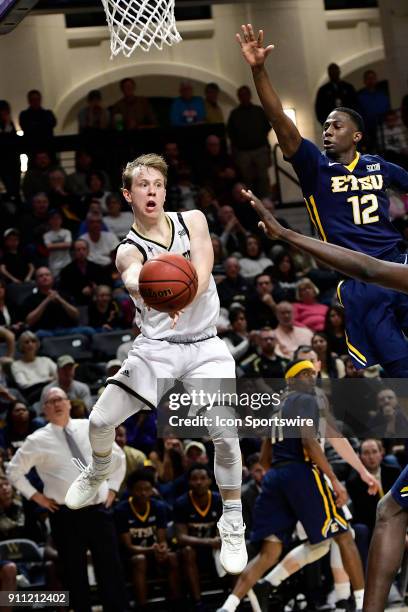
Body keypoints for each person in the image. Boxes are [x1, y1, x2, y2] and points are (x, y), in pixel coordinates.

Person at [65, 153, 247, 575]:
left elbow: (203, 261)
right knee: (98, 421)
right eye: (142, 185)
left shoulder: (194, 219)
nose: (151, 191)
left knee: (226, 433)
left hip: (204, 344)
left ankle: (233, 520)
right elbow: (132, 277)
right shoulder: (127, 249)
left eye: (157, 184)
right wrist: (150, 292)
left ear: (166, 190)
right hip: (157, 346)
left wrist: (187, 293)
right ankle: (98, 468)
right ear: (128, 194)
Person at [239, 192, 408, 612]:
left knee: (375, 519)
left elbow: (366, 267)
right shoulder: (301, 403)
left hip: (294, 474)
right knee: (385, 513)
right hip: (295, 474)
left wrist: (285, 234)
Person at [237, 24, 408, 377]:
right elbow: (278, 119)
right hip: (359, 278)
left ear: (357, 135)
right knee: (400, 370)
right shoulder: (315, 167)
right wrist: (258, 70)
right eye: (326, 126)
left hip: (398, 263)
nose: (327, 131)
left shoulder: (379, 165)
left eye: (336, 126)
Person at [217, 359, 374, 612]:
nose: (311, 378)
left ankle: (233, 604)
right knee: (344, 533)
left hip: (276, 478)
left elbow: (265, 458)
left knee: (272, 549)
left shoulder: (277, 408)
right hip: (303, 473)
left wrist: (279, 480)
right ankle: (360, 601)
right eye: (305, 374)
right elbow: (310, 442)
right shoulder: (305, 400)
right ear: (291, 380)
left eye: (313, 374)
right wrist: (334, 480)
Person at [7, 387, 127, 612]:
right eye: (50, 401)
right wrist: (37, 497)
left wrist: (113, 489)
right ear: (44, 410)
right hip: (66, 516)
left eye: (60, 398)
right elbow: (13, 471)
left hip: (98, 511)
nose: (57, 403)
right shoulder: (37, 439)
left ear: (69, 403)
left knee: (111, 569)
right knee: (74, 574)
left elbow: (118, 457)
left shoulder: (89, 427)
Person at [174, 463, 223, 609]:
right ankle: (198, 602)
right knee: (188, 551)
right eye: (195, 479)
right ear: (189, 482)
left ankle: (235, 598)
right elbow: (181, 537)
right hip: (194, 552)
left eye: (203, 478)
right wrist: (209, 541)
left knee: (234, 547)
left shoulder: (218, 500)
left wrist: (221, 539)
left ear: (210, 480)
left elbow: (225, 527)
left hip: (215, 551)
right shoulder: (181, 503)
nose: (199, 482)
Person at [227, 85, 271, 197]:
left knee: (263, 177)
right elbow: (231, 135)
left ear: (250, 95)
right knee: (246, 179)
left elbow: (266, 130)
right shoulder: (234, 114)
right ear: (238, 97)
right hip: (242, 152)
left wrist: (268, 151)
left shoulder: (258, 111)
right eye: (241, 95)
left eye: (245, 94)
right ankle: (250, 203)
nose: (244, 97)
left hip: (260, 149)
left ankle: (266, 201)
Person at [58, 239, 110, 306]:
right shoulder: (66, 271)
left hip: (96, 301)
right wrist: (80, 292)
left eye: (84, 249)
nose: (81, 252)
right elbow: (64, 291)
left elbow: (106, 284)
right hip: (75, 303)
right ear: (74, 252)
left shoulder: (97, 268)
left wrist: (96, 288)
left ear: (88, 251)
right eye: (78, 250)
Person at [43, 210, 72, 277]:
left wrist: (53, 245)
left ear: (61, 220)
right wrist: (63, 244)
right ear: (49, 221)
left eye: (58, 218)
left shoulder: (66, 232)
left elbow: (68, 245)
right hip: (53, 264)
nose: (55, 221)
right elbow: (48, 247)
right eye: (53, 218)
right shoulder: (46, 235)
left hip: (67, 263)